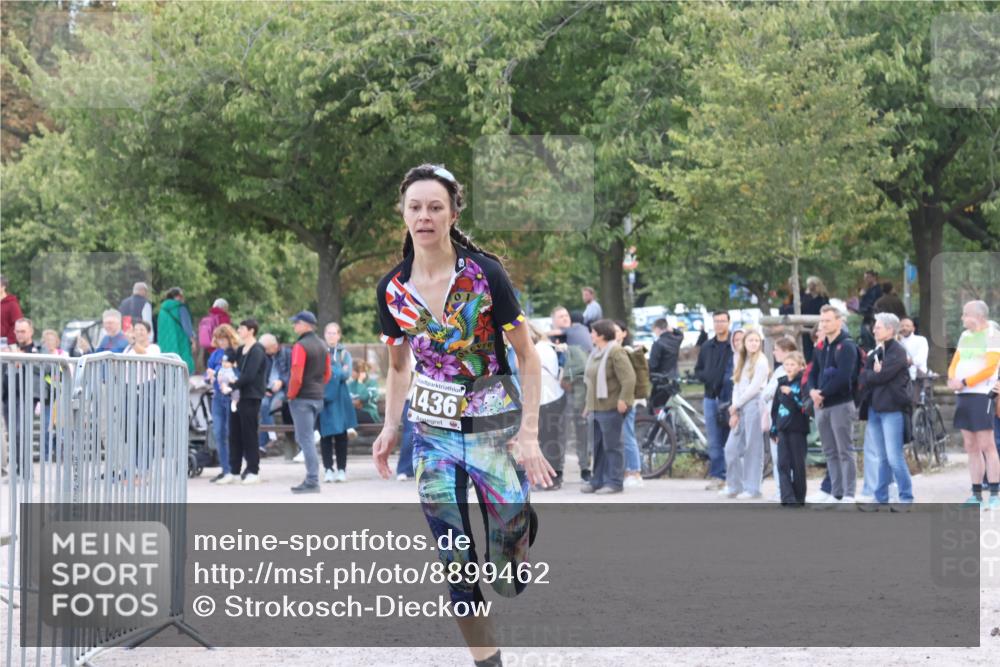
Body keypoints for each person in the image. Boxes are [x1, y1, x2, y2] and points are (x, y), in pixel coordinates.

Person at [372, 164, 552, 666]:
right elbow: (398, 364)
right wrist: (390, 427)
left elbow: (527, 355)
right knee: (455, 559)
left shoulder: (484, 275)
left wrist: (531, 434)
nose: (424, 216)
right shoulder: (392, 291)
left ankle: (517, 523)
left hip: (493, 425)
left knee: (508, 580)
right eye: (415, 207)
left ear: (452, 213)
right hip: (432, 433)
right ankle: (487, 663)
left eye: (435, 206)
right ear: (403, 214)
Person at [857, 313, 914, 512]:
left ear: (890, 330)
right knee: (882, 457)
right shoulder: (876, 351)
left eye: (878, 327)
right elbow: (864, 376)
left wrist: (875, 373)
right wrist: (875, 372)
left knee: (894, 457)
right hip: (874, 409)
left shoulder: (897, 352)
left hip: (892, 410)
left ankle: (906, 498)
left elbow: (883, 376)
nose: (874, 330)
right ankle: (880, 498)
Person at [947, 300, 1000, 510]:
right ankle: (976, 493)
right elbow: (956, 361)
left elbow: (990, 368)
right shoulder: (965, 336)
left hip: (981, 394)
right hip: (964, 395)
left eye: (964, 314)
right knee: (970, 445)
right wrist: (952, 379)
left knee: (987, 444)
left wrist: (966, 382)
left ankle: (995, 493)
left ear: (977, 316)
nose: (962, 318)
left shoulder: (993, 335)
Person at [808, 305, 860, 506]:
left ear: (839, 322)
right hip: (821, 405)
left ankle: (848, 493)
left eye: (828, 320)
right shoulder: (821, 346)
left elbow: (843, 377)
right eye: (822, 320)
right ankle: (835, 492)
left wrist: (822, 393)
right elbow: (813, 372)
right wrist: (812, 391)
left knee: (845, 450)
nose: (824, 324)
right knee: (829, 450)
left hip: (840, 403)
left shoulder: (846, 346)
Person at [581, 318, 635, 494]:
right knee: (596, 448)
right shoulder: (596, 352)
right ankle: (597, 480)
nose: (591, 335)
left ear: (602, 335)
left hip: (611, 407)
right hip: (596, 408)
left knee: (612, 447)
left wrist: (623, 400)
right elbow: (591, 382)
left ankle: (614, 482)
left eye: (593, 332)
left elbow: (628, 378)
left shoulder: (616, 351)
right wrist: (588, 405)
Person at [285, 311, 332, 493]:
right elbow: (327, 373)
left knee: (306, 440)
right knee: (306, 438)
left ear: (305, 325)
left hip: (302, 398)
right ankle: (312, 478)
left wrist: (291, 394)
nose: (294, 326)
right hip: (317, 397)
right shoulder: (322, 344)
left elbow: (296, 374)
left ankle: (312, 480)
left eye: (296, 323)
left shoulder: (300, 346)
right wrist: (318, 387)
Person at [218, 318, 267, 485]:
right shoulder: (241, 349)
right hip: (238, 397)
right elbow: (231, 361)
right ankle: (234, 470)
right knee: (234, 434)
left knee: (249, 434)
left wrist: (232, 384)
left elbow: (250, 375)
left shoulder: (257, 350)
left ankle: (253, 470)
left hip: (251, 396)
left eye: (242, 328)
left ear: (251, 330)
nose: (239, 331)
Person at [548, 306, 592, 480]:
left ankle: (585, 468)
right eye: (560, 316)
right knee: (559, 431)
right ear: (553, 320)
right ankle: (558, 469)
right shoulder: (552, 338)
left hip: (576, 389)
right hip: (556, 392)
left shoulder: (575, 333)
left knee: (581, 428)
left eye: (566, 315)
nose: (565, 318)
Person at [722, 329, 766, 499]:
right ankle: (735, 485)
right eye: (750, 340)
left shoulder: (761, 362)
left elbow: (754, 388)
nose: (754, 343)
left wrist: (737, 405)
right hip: (740, 405)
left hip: (754, 404)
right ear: (744, 343)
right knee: (731, 448)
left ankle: (753, 488)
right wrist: (735, 406)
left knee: (753, 448)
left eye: (756, 340)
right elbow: (737, 384)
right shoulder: (741, 360)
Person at [695, 311, 733, 489]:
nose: (719, 324)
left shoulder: (733, 346)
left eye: (722, 321)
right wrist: (707, 377)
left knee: (730, 438)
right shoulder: (707, 346)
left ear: (729, 323)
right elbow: (698, 369)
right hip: (710, 396)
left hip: (730, 397)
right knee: (713, 439)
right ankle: (717, 475)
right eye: (716, 321)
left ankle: (731, 475)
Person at [761, 337, 800, 502]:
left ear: (785, 351)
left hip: (784, 419)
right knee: (778, 456)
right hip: (775, 417)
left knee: (784, 456)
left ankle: (787, 490)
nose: (774, 352)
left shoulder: (787, 372)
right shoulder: (779, 370)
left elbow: (769, 393)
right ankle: (781, 489)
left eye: (776, 349)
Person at [771, 351, 810, 506]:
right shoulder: (781, 383)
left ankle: (799, 496)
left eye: (792, 364)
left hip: (797, 428)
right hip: (782, 427)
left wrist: (791, 395)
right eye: (786, 364)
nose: (789, 367)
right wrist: (774, 429)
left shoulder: (803, 383)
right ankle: (787, 497)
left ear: (800, 366)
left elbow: (804, 407)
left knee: (797, 464)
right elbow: (775, 408)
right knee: (782, 463)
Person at [531, 324, 567, 490]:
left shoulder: (536, 350)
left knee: (548, 440)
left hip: (546, 399)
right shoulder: (547, 347)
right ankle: (554, 478)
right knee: (552, 439)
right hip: (555, 397)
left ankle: (552, 478)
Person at [319, 321, 355, 485]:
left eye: (334, 333)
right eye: (328, 333)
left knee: (341, 435)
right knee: (325, 435)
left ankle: (342, 469)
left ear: (339, 335)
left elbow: (346, 374)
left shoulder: (344, 353)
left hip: (341, 397)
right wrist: (336, 370)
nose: (331, 336)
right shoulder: (320, 352)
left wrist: (331, 370)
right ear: (324, 334)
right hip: (324, 396)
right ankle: (328, 469)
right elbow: (318, 373)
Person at [613, 319, 648, 489]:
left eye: (617, 330)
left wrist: (625, 400)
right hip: (620, 400)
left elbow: (629, 379)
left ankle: (635, 471)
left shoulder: (625, 351)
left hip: (626, 401)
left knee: (628, 435)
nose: (614, 333)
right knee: (624, 436)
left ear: (624, 334)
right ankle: (628, 471)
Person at [205, 324, 240, 483]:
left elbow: (236, 372)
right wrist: (210, 375)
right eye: (219, 339)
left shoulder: (236, 352)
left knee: (230, 432)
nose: (221, 342)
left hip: (231, 396)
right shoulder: (215, 354)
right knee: (218, 432)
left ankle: (234, 468)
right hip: (217, 396)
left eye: (224, 338)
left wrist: (218, 371)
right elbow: (209, 373)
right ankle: (225, 468)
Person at [258, 333, 292, 453]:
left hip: (283, 390)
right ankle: (272, 436)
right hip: (267, 390)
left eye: (266, 349)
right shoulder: (264, 356)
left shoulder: (287, 353)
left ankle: (263, 443)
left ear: (274, 346)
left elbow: (291, 373)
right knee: (263, 404)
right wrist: (263, 389)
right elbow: (259, 375)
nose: (265, 351)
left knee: (273, 405)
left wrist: (282, 382)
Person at [156, 287, 196, 373]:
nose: (183, 298)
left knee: (168, 362)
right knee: (182, 361)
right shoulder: (180, 308)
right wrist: (192, 339)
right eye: (182, 296)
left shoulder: (162, 310)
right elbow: (186, 325)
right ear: (177, 296)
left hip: (165, 342)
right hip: (181, 340)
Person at [198, 298, 232, 367]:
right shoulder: (224, 317)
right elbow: (227, 333)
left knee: (209, 369)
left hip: (207, 347)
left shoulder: (208, 317)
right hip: (218, 347)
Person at [348, 359, 381, 424]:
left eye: (352, 371)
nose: (350, 373)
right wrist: (356, 403)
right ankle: (350, 431)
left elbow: (363, 397)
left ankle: (349, 430)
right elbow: (346, 401)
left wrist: (360, 382)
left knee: (350, 414)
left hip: (370, 414)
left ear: (360, 372)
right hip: (355, 412)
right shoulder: (350, 385)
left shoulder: (372, 384)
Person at [858, 270, 882, 351]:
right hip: (867, 316)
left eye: (868, 277)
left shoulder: (877, 290)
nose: (866, 280)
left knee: (869, 336)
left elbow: (872, 303)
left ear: (874, 277)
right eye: (865, 278)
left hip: (872, 317)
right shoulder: (868, 290)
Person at [0, 275, 24, 345]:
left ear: (3, 287)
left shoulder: (12, 304)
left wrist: (9, 342)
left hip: (4, 345)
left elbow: (17, 325)